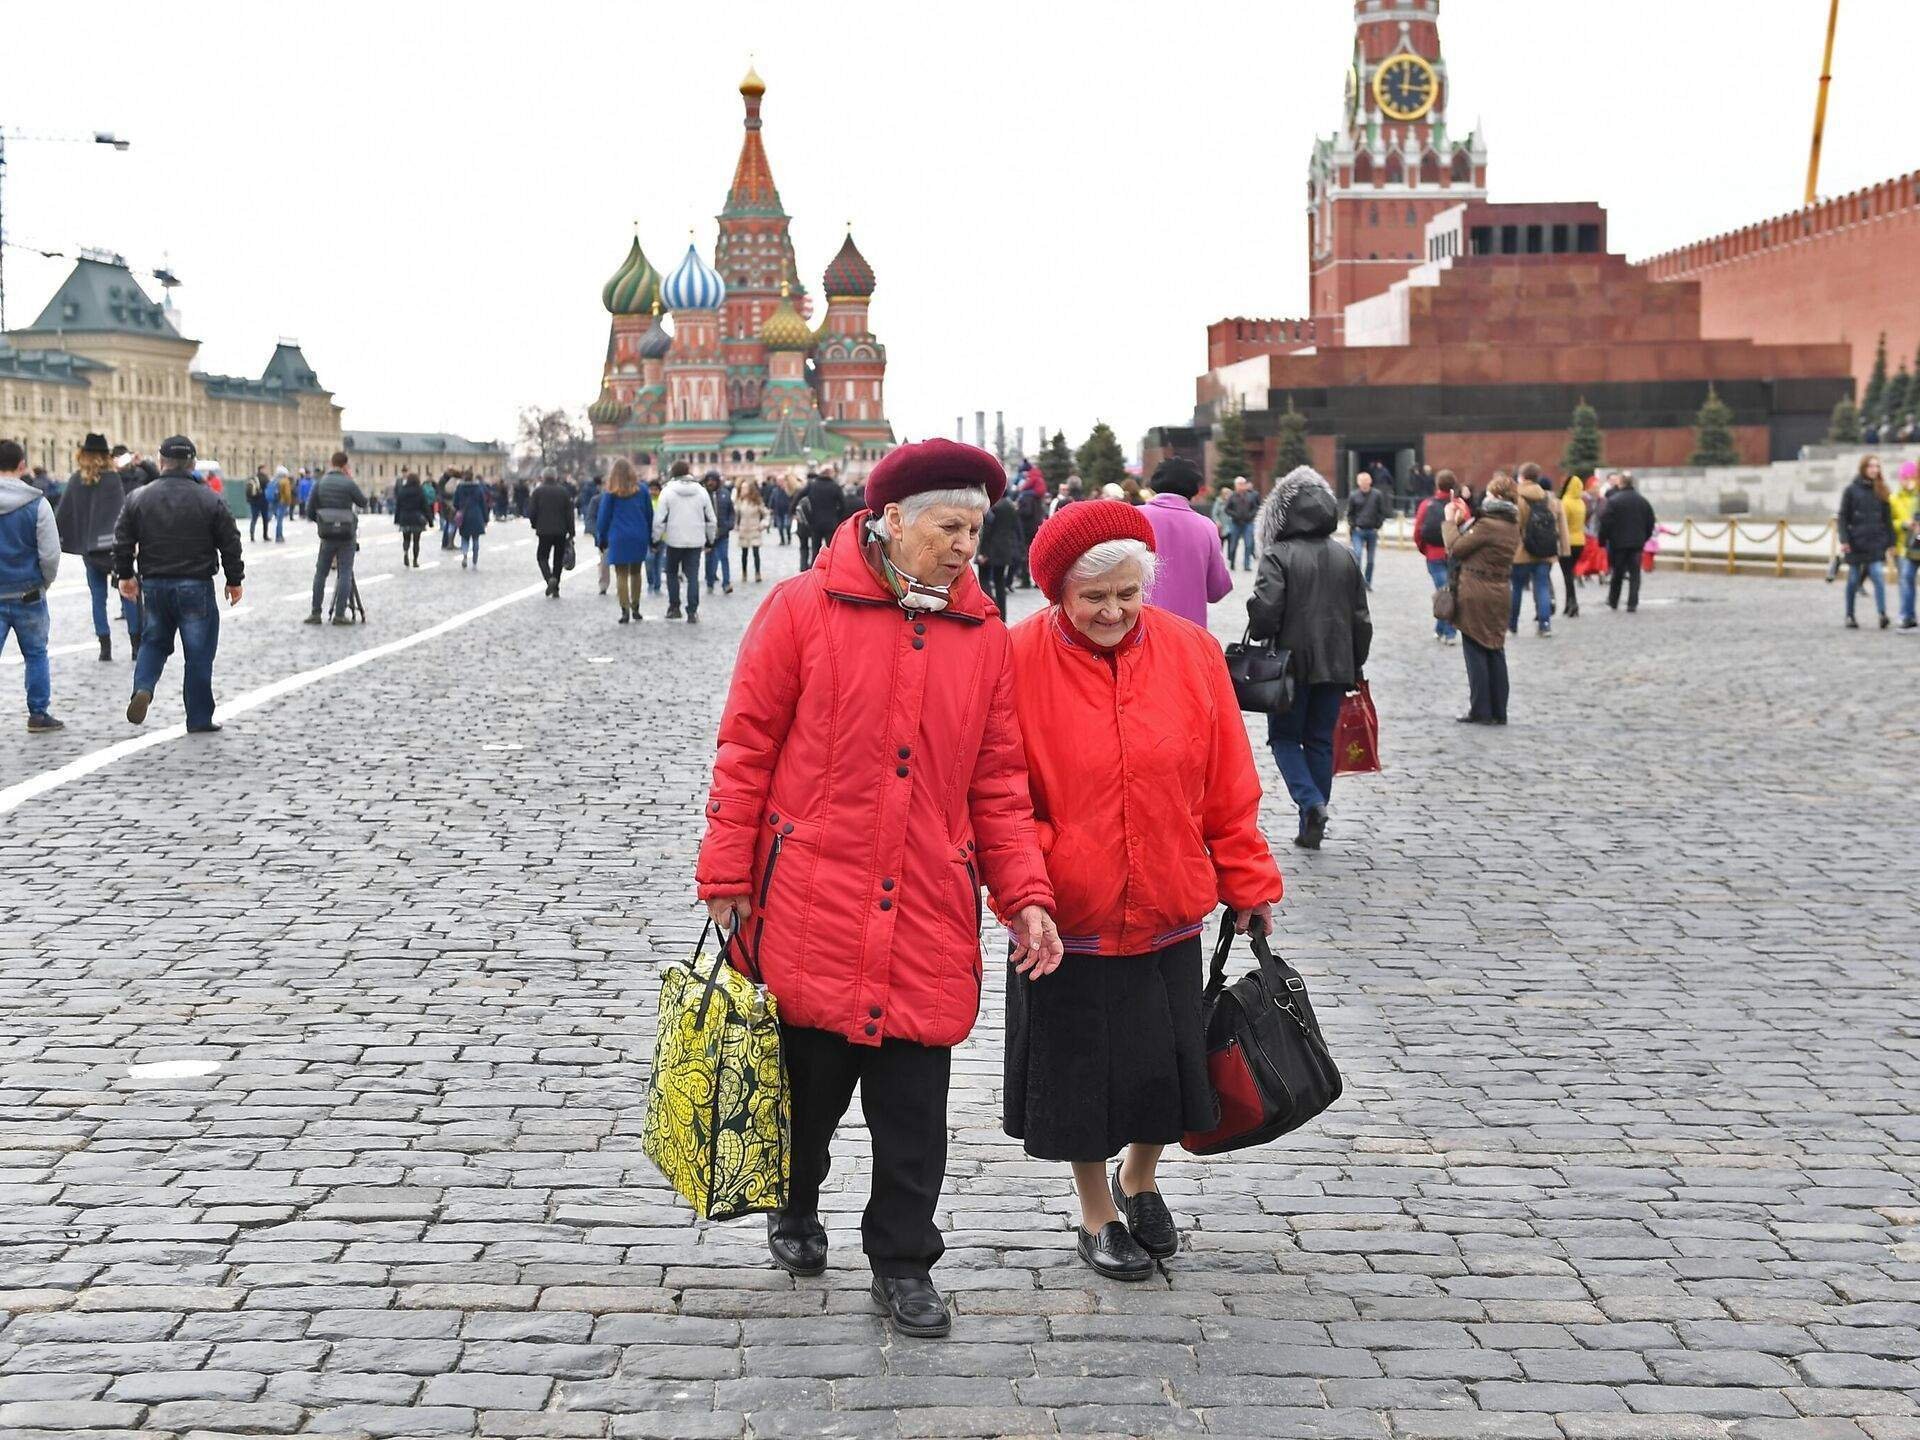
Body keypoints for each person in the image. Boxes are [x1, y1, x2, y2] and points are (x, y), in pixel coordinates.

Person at [696, 437, 1061, 1341]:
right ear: (891, 519)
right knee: (809, 1097)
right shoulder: (801, 611)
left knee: (913, 1112)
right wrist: (726, 873)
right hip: (812, 897)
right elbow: (746, 747)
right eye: (948, 526)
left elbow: (999, 782)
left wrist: (1025, 896)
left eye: (975, 529)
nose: (964, 546)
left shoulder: (983, 639)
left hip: (928, 904)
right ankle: (796, 1200)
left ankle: (903, 1261)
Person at [1006, 500, 1282, 1279]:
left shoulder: (1192, 653)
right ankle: (1096, 1212)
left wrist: (1250, 880)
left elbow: (1229, 782)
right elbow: (998, 796)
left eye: (1128, 593)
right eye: (1095, 597)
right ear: (1058, 592)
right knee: (1078, 1076)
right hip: (1066, 914)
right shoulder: (1015, 659)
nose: (1114, 610)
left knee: (1165, 1065)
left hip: (1166, 902)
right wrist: (1034, 879)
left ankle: (1141, 1177)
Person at [1248, 467, 1371, 850]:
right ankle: (1312, 819)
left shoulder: (1277, 554)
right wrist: (1355, 662)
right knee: (1320, 740)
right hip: (1337, 663)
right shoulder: (1346, 555)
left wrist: (1256, 611)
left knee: (1284, 738)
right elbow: (1361, 618)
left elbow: (1266, 612)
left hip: (1289, 664)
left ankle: (1310, 802)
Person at [113, 435, 243, 733]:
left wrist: (125, 575)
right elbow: (230, 541)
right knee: (198, 653)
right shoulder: (210, 497)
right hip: (195, 585)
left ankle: (143, 688)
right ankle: (198, 718)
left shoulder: (138, 497)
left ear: (161, 462)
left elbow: (122, 540)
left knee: (154, 642)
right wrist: (234, 579)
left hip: (155, 583)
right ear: (193, 464)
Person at [1444, 473, 1520, 725]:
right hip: (1500, 590)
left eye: (1489, 493)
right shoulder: (1511, 524)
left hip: (1477, 590)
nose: (1485, 497)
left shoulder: (1488, 525)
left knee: (1475, 648)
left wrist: (1450, 523)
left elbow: (1456, 548)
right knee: (1495, 649)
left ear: (1497, 496)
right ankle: (1499, 710)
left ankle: (1481, 710)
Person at [55, 433, 139, 662]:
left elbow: (63, 514)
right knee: (128, 594)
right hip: (114, 549)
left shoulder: (75, 480)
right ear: (105, 455)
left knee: (97, 598)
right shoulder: (113, 479)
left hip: (90, 552)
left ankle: (105, 647)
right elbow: (122, 515)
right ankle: (135, 646)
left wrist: (75, 539)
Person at [0, 438, 64, 731]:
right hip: (28, 593)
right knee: (36, 654)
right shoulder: (37, 503)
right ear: (22, 465)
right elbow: (50, 554)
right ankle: (38, 714)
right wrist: (43, 583)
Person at [1139, 457, 1231, 626]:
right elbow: (1217, 589)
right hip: (1189, 635)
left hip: (1140, 630)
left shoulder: (1133, 517)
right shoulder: (1206, 526)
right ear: (1195, 489)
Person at [304, 451, 368, 626]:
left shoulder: (320, 482)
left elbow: (309, 510)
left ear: (331, 463)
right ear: (345, 466)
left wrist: (323, 520)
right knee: (345, 572)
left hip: (327, 535)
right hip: (347, 534)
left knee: (321, 573)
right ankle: (340, 614)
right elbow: (363, 502)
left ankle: (315, 613)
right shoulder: (348, 483)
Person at [593, 457, 654, 625]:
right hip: (639, 535)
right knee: (635, 572)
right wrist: (650, 536)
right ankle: (636, 607)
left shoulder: (611, 493)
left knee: (621, 574)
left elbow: (603, 519)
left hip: (618, 537)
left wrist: (602, 538)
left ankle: (624, 609)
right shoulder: (642, 490)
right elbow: (649, 514)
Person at [1837, 454, 1895, 629]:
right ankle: (1849, 614)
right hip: (1855, 542)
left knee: (1877, 575)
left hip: (1875, 541)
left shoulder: (1882, 490)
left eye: (1877, 466)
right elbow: (1843, 517)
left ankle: (1882, 614)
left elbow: (1887, 520)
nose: (1874, 470)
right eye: (1871, 466)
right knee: (1854, 579)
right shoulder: (1851, 490)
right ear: (1864, 468)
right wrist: (1844, 539)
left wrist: (1890, 542)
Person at [1510, 463, 1566, 637]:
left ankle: (1512, 624)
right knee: (1542, 587)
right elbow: (1561, 527)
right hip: (1545, 552)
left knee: (1516, 588)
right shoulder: (1551, 499)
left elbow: (1513, 527)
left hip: (1520, 552)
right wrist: (1563, 550)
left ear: (1522, 477)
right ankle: (1545, 624)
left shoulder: (1516, 498)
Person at [656, 459, 716, 623]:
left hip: (674, 540)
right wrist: (710, 539)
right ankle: (692, 611)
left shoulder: (667, 491)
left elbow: (659, 520)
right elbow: (711, 519)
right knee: (693, 576)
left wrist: (655, 539)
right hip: (696, 540)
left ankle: (674, 607)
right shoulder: (701, 491)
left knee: (672, 574)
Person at [1597, 470, 1656, 613]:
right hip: (1637, 543)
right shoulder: (1643, 501)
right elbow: (1650, 522)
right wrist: (1644, 537)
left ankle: (1613, 600)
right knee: (1635, 573)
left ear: (1621, 483)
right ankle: (1632, 603)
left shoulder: (1614, 501)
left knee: (1617, 573)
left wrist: (1603, 540)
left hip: (1618, 544)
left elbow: (1605, 522)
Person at [1411, 470, 1458, 644]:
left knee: (1443, 591)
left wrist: (1425, 549)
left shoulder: (1426, 504)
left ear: (1437, 484)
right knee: (1447, 590)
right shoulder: (1459, 505)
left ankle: (1448, 632)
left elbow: (1417, 532)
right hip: (1455, 554)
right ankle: (1442, 629)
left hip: (1434, 554)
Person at [976, 484, 1022, 613]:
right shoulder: (1011, 507)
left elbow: (987, 531)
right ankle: (1002, 613)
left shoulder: (992, 507)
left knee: (984, 580)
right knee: (1000, 582)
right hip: (1005, 549)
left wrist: (982, 552)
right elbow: (1016, 529)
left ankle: (991, 609)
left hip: (990, 549)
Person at [528, 471, 576, 598]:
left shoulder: (538, 492)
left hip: (544, 530)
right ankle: (556, 586)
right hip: (561, 531)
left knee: (542, 556)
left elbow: (532, 511)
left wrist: (534, 524)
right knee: (558, 559)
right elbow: (569, 514)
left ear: (543, 477)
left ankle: (549, 579)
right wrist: (571, 532)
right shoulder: (564, 492)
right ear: (556, 477)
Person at [1344, 469, 1392, 589]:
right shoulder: (1353, 495)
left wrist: (1378, 526)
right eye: (1362, 481)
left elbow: (1382, 512)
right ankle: (1358, 581)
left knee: (1371, 560)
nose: (1365, 483)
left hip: (1372, 530)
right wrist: (1353, 525)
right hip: (1358, 531)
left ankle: (1368, 582)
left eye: (1366, 480)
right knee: (1358, 555)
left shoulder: (1377, 495)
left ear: (1370, 481)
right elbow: (1350, 513)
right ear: (1358, 482)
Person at [801, 467, 845, 570]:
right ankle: (830, 569)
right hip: (830, 522)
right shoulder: (835, 486)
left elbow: (799, 496)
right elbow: (843, 505)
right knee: (830, 549)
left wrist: (795, 511)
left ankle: (815, 570)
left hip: (815, 522)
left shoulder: (812, 485)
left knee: (815, 549)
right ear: (830, 473)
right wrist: (837, 516)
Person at [1893, 460, 1920, 630]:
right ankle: (1907, 615)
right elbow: (1891, 520)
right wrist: (1906, 523)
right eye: (1906, 477)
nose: (1909, 481)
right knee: (1907, 577)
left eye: (1912, 477)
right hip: (1911, 545)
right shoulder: (1896, 497)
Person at [1558, 474, 1588, 615]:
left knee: (1567, 574)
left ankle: (1572, 602)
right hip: (1580, 540)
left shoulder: (1565, 502)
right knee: (1571, 572)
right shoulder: (1581, 502)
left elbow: (1562, 524)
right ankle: (1568, 603)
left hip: (1567, 541)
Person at [703, 471, 736, 595]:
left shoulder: (725, 494)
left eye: (713, 480)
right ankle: (710, 582)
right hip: (708, 536)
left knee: (724, 558)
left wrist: (729, 524)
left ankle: (726, 583)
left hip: (723, 533)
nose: (710, 483)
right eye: (708, 480)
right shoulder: (703, 495)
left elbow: (731, 512)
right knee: (710, 560)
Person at [391, 471, 429, 568]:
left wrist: (397, 519)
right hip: (417, 518)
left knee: (406, 538)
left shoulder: (403, 491)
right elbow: (425, 506)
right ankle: (415, 560)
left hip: (405, 517)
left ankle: (405, 552)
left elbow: (398, 506)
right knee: (416, 541)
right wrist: (430, 519)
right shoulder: (420, 490)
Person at [1223, 476, 1260, 572]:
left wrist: (1251, 515)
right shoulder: (1232, 496)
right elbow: (1227, 509)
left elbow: (1256, 507)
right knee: (1233, 545)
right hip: (1236, 523)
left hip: (1248, 523)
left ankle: (1247, 564)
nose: (1241, 486)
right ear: (1236, 486)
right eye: (1239, 484)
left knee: (1248, 544)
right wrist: (1235, 515)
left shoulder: (1251, 495)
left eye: (1243, 484)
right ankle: (1232, 563)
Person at [734, 478, 767, 584]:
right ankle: (744, 573)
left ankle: (758, 573)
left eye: (745, 488)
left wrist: (763, 524)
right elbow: (736, 515)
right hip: (743, 530)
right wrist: (736, 525)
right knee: (744, 553)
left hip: (754, 529)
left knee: (756, 553)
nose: (743, 490)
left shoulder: (757, 501)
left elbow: (766, 513)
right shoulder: (739, 501)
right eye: (742, 488)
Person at [454, 471, 490, 567]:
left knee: (464, 538)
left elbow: (455, 503)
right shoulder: (478, 488)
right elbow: (483, 504)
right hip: (476, 515)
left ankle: (465, 555)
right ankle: (475, 557)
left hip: (464, 516)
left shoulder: (460, 488)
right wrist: (486, 519)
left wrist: (459, 509)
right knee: (475, 538)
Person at [245, 466, 272, 542]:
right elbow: (269, 489)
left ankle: (252, 535)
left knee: (254, 519)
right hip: (263, 501)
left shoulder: (253, 478)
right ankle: (265, 535)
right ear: (262, 470)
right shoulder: (265, 478)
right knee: (265, 519)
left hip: (254, 501)